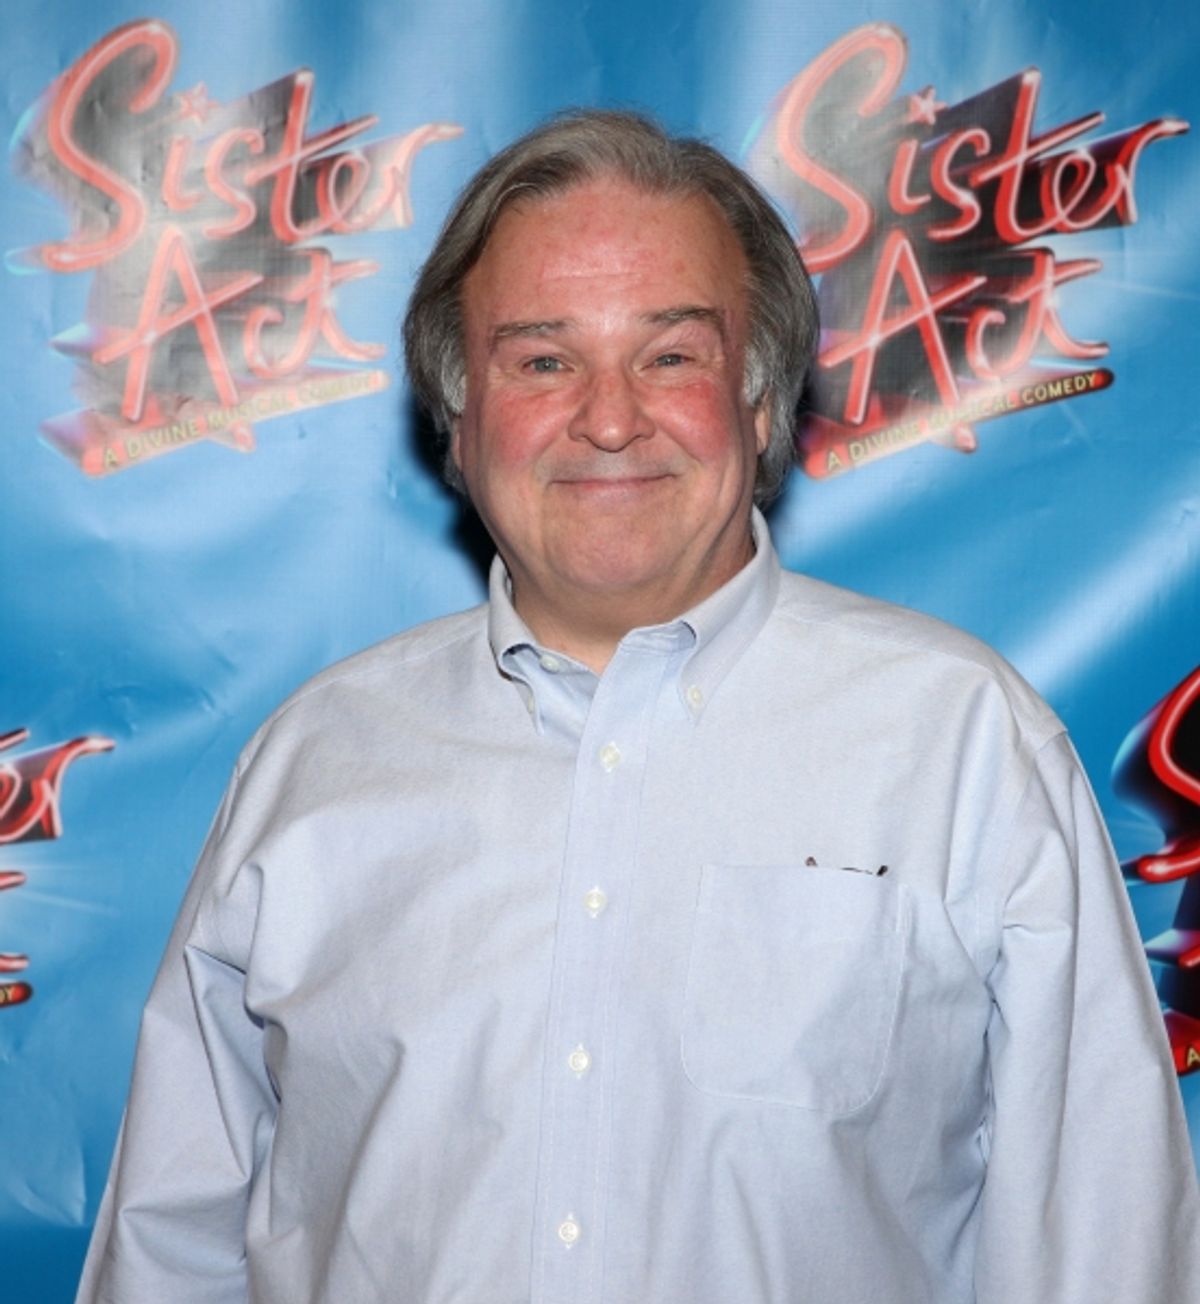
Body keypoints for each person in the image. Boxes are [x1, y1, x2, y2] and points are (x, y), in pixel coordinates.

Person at [78, 110, 1199, 1304]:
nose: (609, 419)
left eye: (670, 354)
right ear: (458, 421)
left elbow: (1101, 1246)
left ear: (762, 400)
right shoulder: (314, 760)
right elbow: (170, 1247)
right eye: (542, 359)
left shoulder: (969, 745)